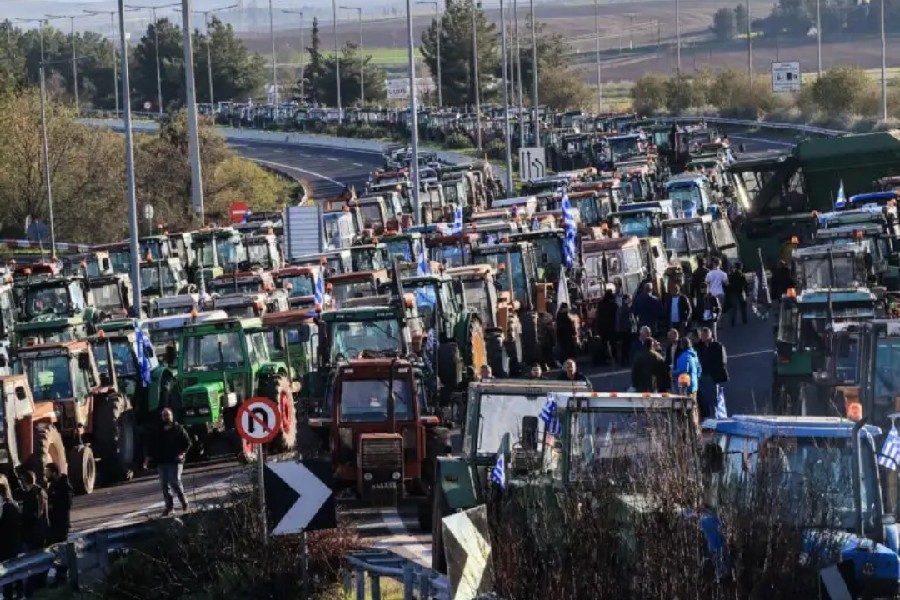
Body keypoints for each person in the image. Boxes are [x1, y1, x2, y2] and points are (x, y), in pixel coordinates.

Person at [153, 407, 192, 516]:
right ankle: (169, 507)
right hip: (162, 461)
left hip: (175, 460)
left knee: (174, 481)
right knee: (164, 484)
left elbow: (188, 443)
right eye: (164, 415)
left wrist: (182, 453)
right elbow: (154, 445)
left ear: (172, 416)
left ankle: (184, 501)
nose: (166, 417)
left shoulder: (178, 428)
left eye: (168, 415)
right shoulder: (158, 430)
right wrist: (150, 458)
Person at [696, 327, 729, 420]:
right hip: (702, 375)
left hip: (712, 376)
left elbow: (723, 360)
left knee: (713, 399)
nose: (701, 337)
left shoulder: (718, 346)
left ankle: (714, 419)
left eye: (703, 335)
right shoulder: (699, 346)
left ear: (709, 335)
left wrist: (714, 371)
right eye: (701, 335)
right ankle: (706, 420)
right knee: (703, 399)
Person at [0, 475, 23, 600]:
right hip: (14, 543)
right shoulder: (14, 505)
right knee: (17, 568)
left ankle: (8, 594)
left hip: (5, 545)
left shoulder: (3, 508)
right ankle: (19, 592)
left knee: (6, 570)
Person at [45, 463, 73, 545]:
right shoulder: (52, 485)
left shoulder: (65, 486)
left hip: (61, 525)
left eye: (47, 472)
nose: (46, 474)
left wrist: (53, 506)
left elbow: (68, 504)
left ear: (54, 473)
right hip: (53, 524)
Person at [592, 289, 619, 366]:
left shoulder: (600, 304)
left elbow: (598, 315)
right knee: (613, 344)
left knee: (604, 344)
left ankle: (605, 358)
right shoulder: (613, 305)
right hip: (611, 327)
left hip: (602, 327)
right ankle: (615, 358)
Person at [615, 294, 637, 366]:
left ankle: (623, 360)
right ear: (626, 299)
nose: (631, 300)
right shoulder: (627, 308)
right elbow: (630, 320)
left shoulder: (620, 308)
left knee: (624, 346)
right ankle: (626, 360)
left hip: (622, 330)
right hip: (627, 330)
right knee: (627, 346)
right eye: (629, 298)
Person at [726, 262, 749, 327]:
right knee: (743, 307)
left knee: (734, 308)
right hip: (741, 292)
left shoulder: (731, 275)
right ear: (740, 267)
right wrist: (747, 293)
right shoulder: (742, 275)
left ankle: (733, 321)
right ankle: (744, 320)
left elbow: (728, 284)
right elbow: (745, 285)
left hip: (733, 293)